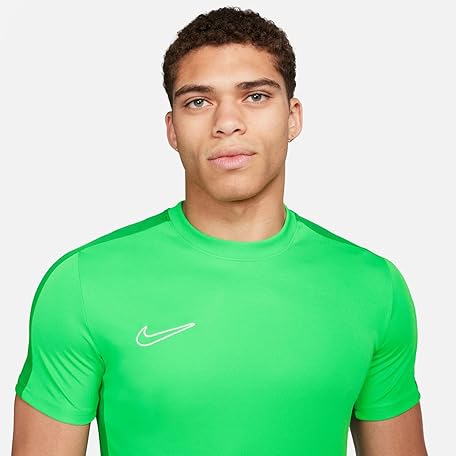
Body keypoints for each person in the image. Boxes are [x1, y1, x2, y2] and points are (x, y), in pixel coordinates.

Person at [11, 6, 428, 456]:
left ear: (293, 117)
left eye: (256, 96)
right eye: (198, 102)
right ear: (172, 129)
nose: (227, 122)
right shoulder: (83, 283)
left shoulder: (373, 286)